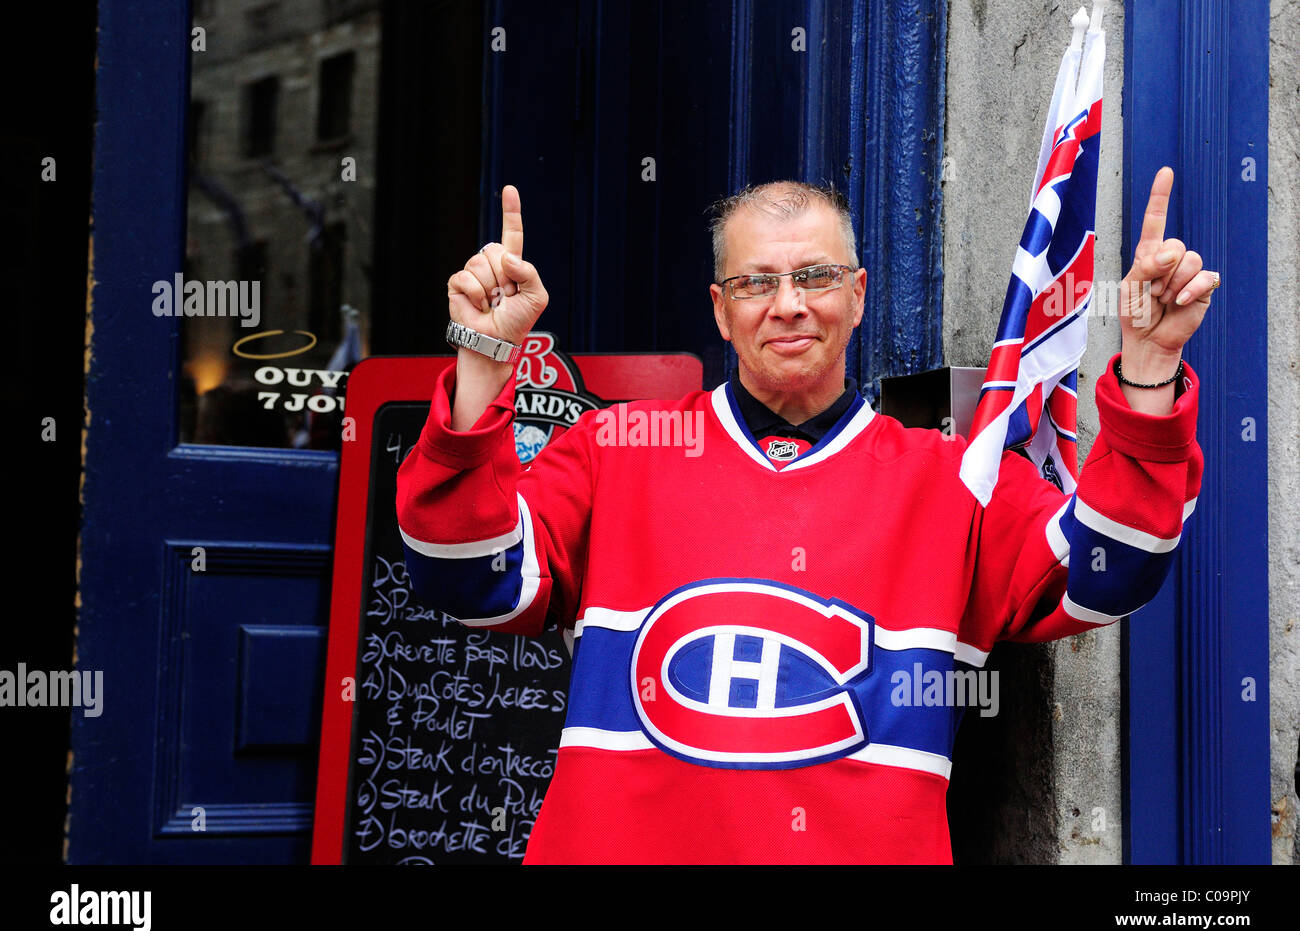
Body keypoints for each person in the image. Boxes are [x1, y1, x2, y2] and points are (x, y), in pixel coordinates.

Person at [395, 174, 1209, 863]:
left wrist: (1148, 370)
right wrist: (481, 363)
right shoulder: (617, 449)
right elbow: (469, 579)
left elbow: (1110, 571)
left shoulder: (957, 480)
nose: (787, 305)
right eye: (756, 282)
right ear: (720, 309)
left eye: (816, 276)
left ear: (857, 297)